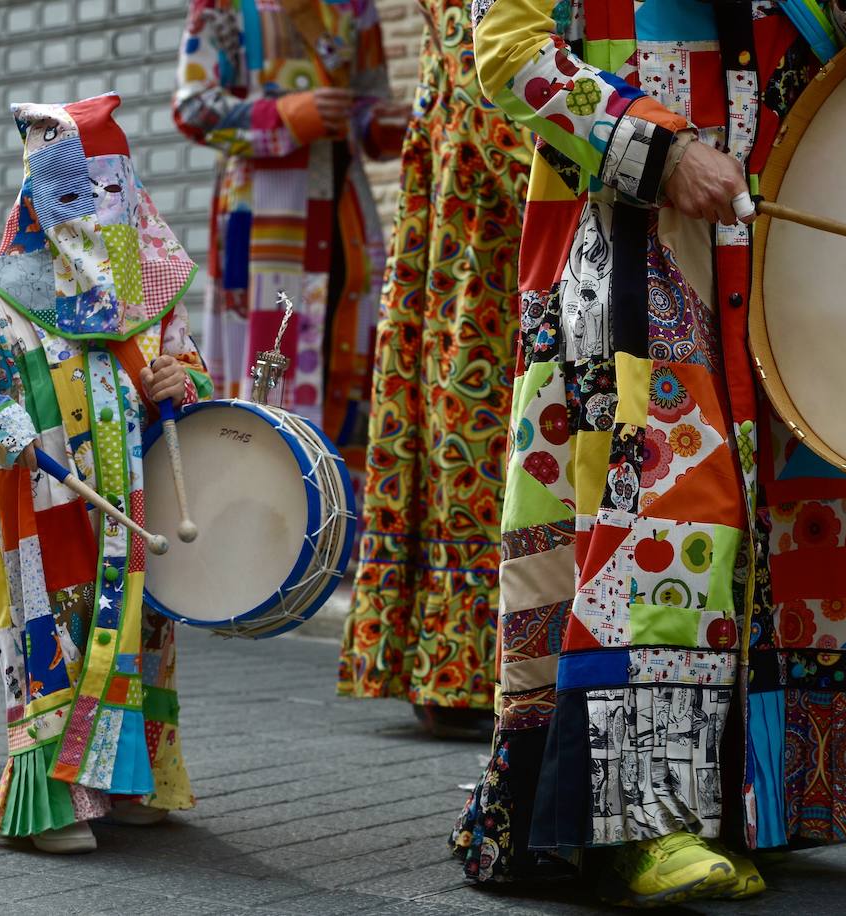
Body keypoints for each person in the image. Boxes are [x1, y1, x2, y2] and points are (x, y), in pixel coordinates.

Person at [450, 0, 846, 905]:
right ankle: (634, 824)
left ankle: (747, 806)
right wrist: (662, 150)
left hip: (780, 233)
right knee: (669, 509)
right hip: (625, 234)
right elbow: (508, 50)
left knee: (792, 517)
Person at [0, 94, 210, 854]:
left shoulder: (149, 298)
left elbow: (187, 375)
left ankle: (133, 781)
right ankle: (50, 800)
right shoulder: (2, 296)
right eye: (78, 193)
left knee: (140, 630)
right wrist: (2, 422)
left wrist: (179, 382)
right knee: (56, 629)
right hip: (43, 498)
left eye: (114, 191)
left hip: (134, 494)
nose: (98, 212)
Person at [336, 0, 532, 739]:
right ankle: (459, 668)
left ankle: (461, 666)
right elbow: (497, 99)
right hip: (485, 247)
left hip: (483, 237)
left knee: (481, 438)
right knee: (477, 442)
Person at [172, 0, 406, 485]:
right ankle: (258, 515)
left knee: (351, 364)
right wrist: (285, 113)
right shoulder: (224, 6)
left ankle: (343, 525)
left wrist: (399, 121)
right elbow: (193, 108)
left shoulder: (355, 7)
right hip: (262, 221)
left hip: (344, 216)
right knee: (263, 368)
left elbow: (367, 108)